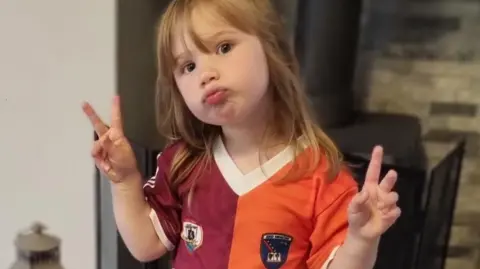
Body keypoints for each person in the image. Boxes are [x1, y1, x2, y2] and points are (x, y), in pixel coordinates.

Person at [82, 0, 401, 268]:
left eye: (224, 47)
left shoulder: (322, 177)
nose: (206, 74)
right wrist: (124, 181)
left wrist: (361, 240)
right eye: (188, 67)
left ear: (270, 50)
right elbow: (145, 245)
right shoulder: (182, 162)